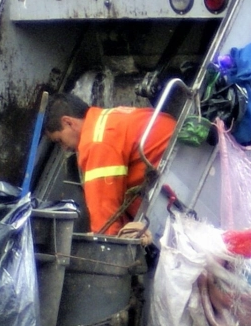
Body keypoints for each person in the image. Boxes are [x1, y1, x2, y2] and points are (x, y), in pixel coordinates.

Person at [43, 92, 177, 239]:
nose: (64, 148)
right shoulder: (107, 118)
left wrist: (103, 245)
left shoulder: (96, 142)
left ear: (68, 122)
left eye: (60, 140)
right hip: (182, 159)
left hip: (175, 184)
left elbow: (104, 213)